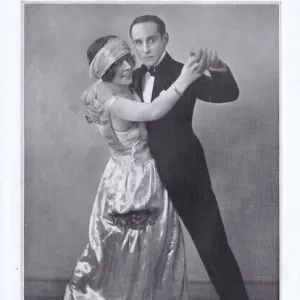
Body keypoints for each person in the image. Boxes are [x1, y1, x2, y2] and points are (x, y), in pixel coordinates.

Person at [86, 15, 249, 300]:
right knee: (141, 256)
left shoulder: (182, 71)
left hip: (185, 175)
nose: (145, 48)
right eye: (138, 42)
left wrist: (218, 67)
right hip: (142, 185)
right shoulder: (128, 75)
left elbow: (228, 93)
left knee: (214, 250)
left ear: (165, 39)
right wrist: (92, 108)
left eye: (151, 39)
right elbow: (102, 96)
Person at [64, 35, 206, 300]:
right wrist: (183, 80)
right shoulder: (112, 100)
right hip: (132, 183)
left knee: (150, 252)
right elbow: (151, 112)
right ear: (105, 69)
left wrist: (89, 108)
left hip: (139, 177)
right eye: (119, 62)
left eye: (128, 58)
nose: (129, 65)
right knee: (129, 253)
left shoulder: (106, 88)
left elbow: (91, 94)